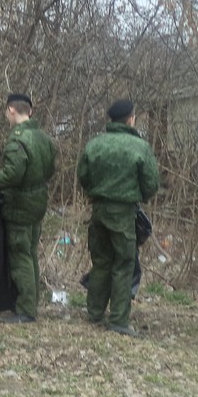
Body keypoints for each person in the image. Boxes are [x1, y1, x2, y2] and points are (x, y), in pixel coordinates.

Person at [77, 99, 160, 337]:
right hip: (124, 212)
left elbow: (83, 176)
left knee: (101, 261)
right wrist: (137, 196)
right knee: (124, 263)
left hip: (99, 209)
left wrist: (98, 191)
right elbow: (151, 184)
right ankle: (119, 320)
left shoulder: (95, 144)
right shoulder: (139, 147)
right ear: (131, 119)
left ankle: (94, 313)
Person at [0, 93, 57, 323]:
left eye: (6, 112)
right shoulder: (44, 138)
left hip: (20, 205)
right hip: (38, 202)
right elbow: (50, 169)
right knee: (30, 253)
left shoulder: (17, 139)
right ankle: (31, 303)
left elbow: (12, 173)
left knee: (20, 254)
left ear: (11, 110)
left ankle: (25, 310)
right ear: (30, 111)